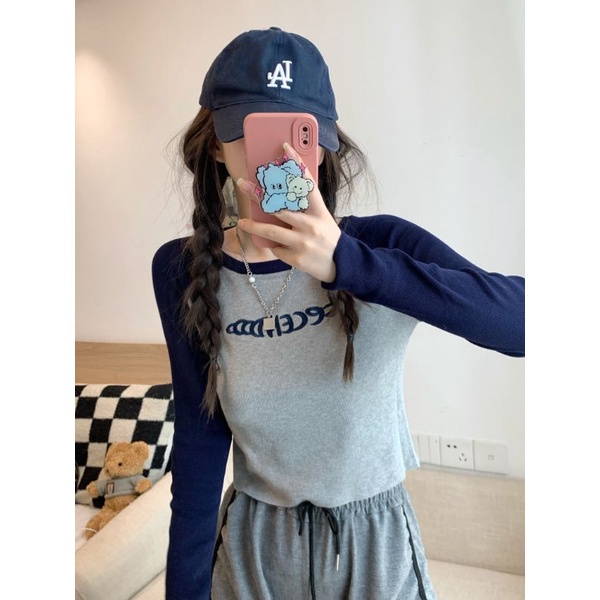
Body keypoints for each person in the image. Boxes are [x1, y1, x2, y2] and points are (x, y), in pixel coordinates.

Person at [152, 26, 525, 600]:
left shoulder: (382, 248)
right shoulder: (182, 270)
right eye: (253, 131)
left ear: (322, 145)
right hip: (254, 548)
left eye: (297, 136)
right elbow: (200, 445)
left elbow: (523, 322)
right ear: (215, 143)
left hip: (374, 545)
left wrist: (348, 263)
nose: (278, 158)